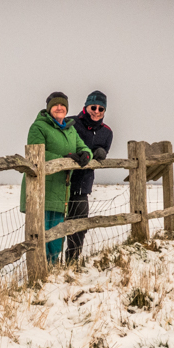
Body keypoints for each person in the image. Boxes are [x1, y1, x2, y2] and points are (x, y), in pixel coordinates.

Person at [20, 91, 92, 264]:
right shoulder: (38, 127)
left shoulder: (70, 128)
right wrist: (66, 158)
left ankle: (52, 266)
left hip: (61, 189)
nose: (59, 108)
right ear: (49, 108)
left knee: (57, 233)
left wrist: (85, 155)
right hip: (40, 190)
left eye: (62, 105)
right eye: (55, 105)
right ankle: (41, 269)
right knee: (41, 232)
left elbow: (83, 147)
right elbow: (36, 154)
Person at [65, 90, 113, 262]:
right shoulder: (70, 123)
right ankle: (50, 265)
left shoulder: (106, 133)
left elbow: (103, 152)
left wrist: (101, 153)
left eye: (101, 109)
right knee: (54, 228)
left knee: (79, 228)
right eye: (94, 107)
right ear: (86, 106)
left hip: (82, 187)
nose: (97, 111)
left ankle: (72, 263)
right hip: (61, 183)